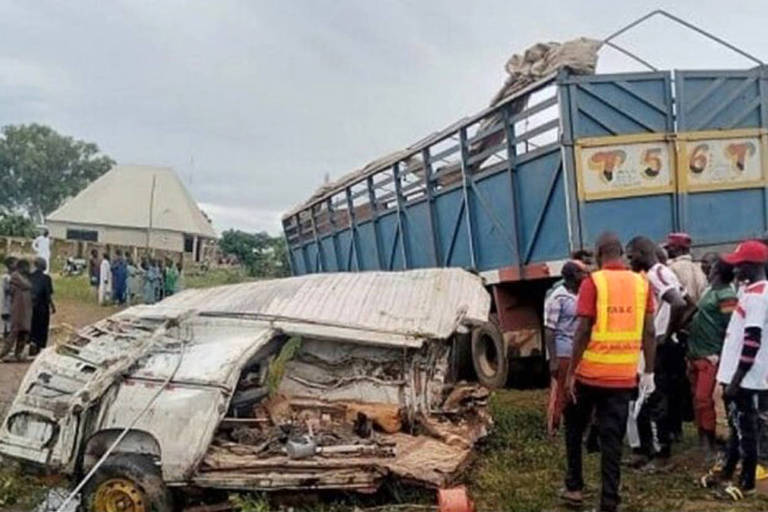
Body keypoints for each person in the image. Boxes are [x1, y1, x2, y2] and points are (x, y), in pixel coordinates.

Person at [561, 232, 656, 512]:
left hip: (589, 375)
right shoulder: (642, 284)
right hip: (623, 377)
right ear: (620, 253)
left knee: (574, 428)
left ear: (600, 252)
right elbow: (649, 330)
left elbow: (583, 331)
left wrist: (571, 373)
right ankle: (609, 502)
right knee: (612, 439)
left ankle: (574, 486)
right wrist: (648, 372)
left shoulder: (594, 282)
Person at [704, 240, 768, 500]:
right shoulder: (751, 290)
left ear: (752, 266)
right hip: (738, 376)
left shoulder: (757, 296)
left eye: (740, 264)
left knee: (746, 430)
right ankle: (729, 471)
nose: (735, 268)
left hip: (745, 379)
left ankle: (747, 482)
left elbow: (752, 340)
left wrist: (737, 378)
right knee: (737, 427)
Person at [626, 236, 690, 468]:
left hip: (657, 348)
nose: (629, 261)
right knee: (647, 398)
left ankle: (662, 455)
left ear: (643, 252)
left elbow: (679, 303)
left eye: (631, 256)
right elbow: (690, 302)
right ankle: (645, 451)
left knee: (652, 399)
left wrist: (666, 333)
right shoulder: (662, 272)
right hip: (658, 345)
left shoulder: (656, 275)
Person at [688, 258, 737, 464]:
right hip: (696, 353)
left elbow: (731, 327)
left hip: (712, 354)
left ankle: (712, 443)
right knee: (698, 399)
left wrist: (724, 356)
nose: (706, 269)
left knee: (704, 399)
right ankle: (703, 439)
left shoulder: (727, 296)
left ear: (718, 271)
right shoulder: (710, 290)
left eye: (712, 267)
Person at [544, 261, 587, 435]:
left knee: (578, 389)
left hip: (578, 349)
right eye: (580, 273)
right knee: (560, 390)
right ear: (571, 275)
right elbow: (549, 329)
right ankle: (554, 428)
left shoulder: (582, 295)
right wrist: (553, 359)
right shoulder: (557, 297)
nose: (584, 276)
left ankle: (576, 426)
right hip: (562, 350)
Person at [666, 232, 708, 303]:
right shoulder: (697, 267)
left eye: (671, 247)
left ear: (680, 249)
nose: (668, 250)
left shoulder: (671, 268)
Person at [7, 259, 33, 361]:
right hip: (18, 310)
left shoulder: (24, 277)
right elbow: (28, 285)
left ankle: (18, 354)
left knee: (24, 333)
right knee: (14, 333)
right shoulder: (16, 276)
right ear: (22, 267)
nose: (29, 269)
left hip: (25, 310)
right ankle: (3, 352)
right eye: (27, 267)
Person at [29, 257, 55, 354]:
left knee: (32, 325)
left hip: (30, 306)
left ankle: (32, 341)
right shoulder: (46, 278)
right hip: (42, 307)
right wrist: (52, 306)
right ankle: (38, 345)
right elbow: (48, 295)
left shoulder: (29, 276)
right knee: (42, 326)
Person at [1, 257, 17, 338]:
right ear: (10, 265)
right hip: (8, 305)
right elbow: (7, 290)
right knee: (8, 325)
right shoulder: (6, 277)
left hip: (14, 304)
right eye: (15, 263)